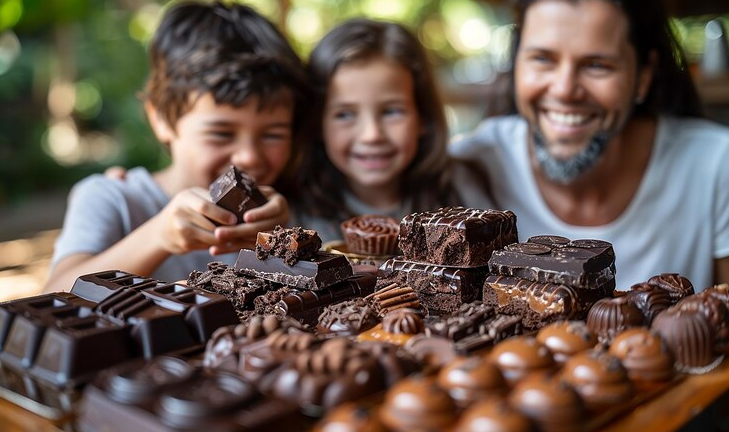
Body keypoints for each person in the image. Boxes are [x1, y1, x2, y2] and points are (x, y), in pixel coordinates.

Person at [450, 0, 729, 291]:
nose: (564, 89)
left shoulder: (715, 167)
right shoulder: (472, 165)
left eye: (597, 65)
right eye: (542, 59)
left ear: (644, 76)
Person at [45, 2, 310, 291]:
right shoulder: (113, 199)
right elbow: (52, 295)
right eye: (221, 133)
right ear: (161, 119)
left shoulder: (291, 206)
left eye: (273, 134)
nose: (248, 156)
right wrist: (158, 237)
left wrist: (282, 240)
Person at [291, 18, 490, 243]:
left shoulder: (459, 188)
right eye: (344, 114)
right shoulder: (296, 215)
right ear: (317, 124)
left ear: (423, 117)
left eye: (391, 111)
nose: (372, 135)